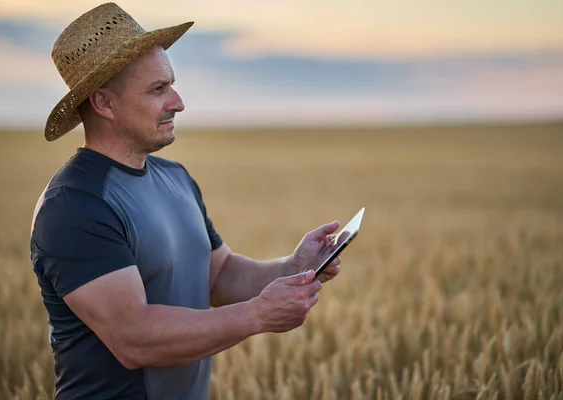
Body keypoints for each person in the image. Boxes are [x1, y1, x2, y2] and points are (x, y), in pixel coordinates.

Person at [30, 3, 342, 399]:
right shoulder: (74, 205)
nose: (177, 102)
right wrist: (260, 313)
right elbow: (135, 338)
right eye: (158, 89)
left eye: (171, 85)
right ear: (104, 103)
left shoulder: (175, 178)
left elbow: (217, 275)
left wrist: (294, 266)